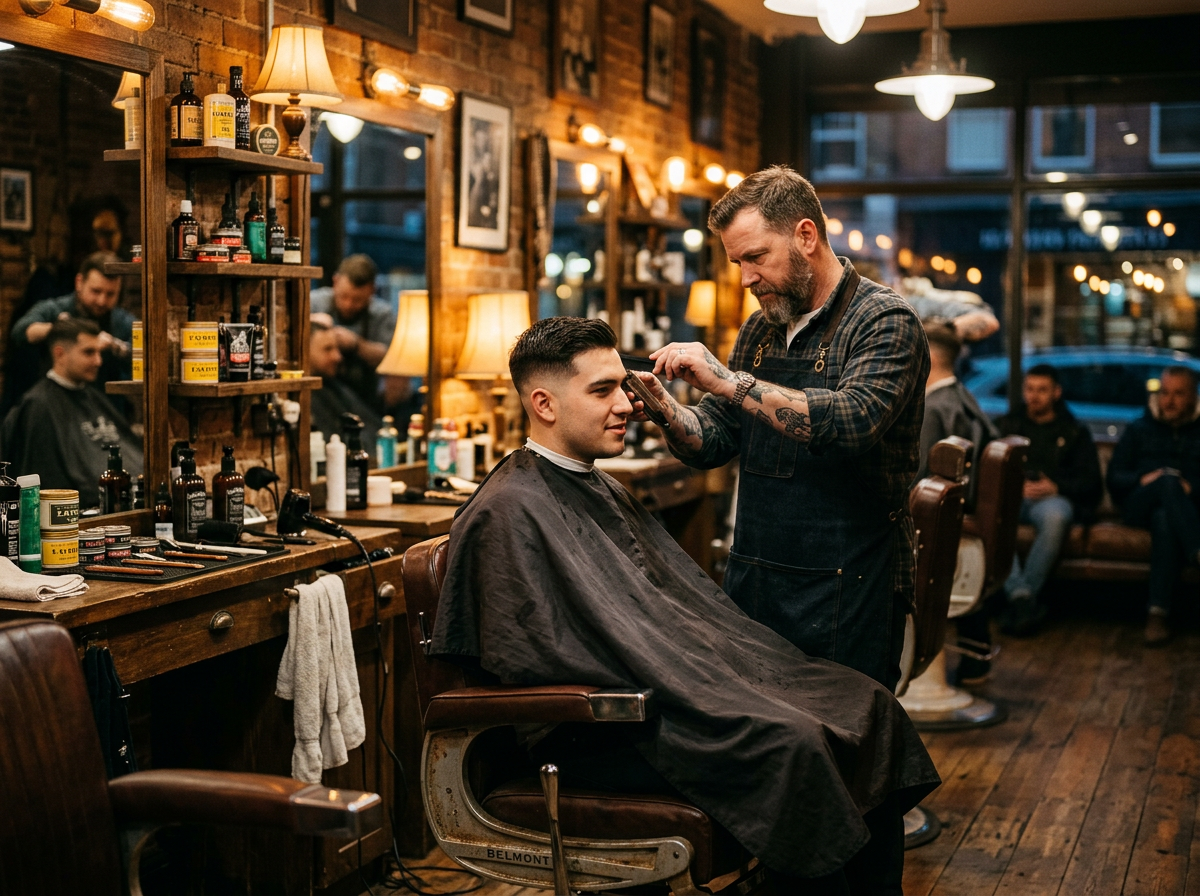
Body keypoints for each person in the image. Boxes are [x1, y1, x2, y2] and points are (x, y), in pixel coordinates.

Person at [431, 316, 939, 895]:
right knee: (791, 745)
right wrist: (688, 683)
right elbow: (540, 655)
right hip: (596, 731)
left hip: (662, 695)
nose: (626, 404)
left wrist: (709, 672)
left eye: (623, 384)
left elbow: (653, 614)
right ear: (543, 403)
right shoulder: (507, 511)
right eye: (602, 391)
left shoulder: (593, 483)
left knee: (863, 701)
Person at [629, 166, 929, 691]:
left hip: (851, 584)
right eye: (736, 262)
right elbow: (716, 440)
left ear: (806, 236)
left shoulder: (884, 320)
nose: (745, 278)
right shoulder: (761, 329)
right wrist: (665, 412)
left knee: (845, 745)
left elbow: (852, 420)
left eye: (755, 257)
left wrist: (729, 382)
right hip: (759, 575)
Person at [992, 364, 1102, 637]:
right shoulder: (1007, 426)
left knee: (1056, 517)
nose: (1034, 396)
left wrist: (1056, 486)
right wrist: (1014, 486)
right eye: (1029, 389)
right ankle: (1023, 598)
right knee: (992, 516)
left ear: (1056, 392)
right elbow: (989, 469)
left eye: (1042, 390)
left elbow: (1092, 483)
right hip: (1014, 498)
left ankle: (1020, 600)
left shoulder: (1075, 430)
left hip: (1054, 498)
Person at [2, 318, 142, 509]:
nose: (98, 361)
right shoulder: (38, 406)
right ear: (60, 354)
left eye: (99, 352)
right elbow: (48, 478)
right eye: (89, 352)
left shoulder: (94, 397)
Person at [1107, 366, 1200, 646]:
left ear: (1194, 397)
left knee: (1164, 519)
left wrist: (1192, 487)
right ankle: (1197, 551)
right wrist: (1142, 478)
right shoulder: (1139, 429)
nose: (1169, 401)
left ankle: (1157, 614)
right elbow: (1114, 479)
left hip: (1183, 510)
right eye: (1164, 393)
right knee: (1166, 480)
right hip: (1137, 506)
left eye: (1178, 394)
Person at [8, 251, 133, 400]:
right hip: (56, 404)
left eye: (110, 294)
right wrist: (60, 329)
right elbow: (20, 331)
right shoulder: (54, 309)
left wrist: (115, 346)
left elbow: (143, 355)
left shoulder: (122, 321)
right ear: (79, 282)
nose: (102, 301)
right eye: (96, 291)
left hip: (104, 407)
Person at [918, 322, 998, 505]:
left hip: (938, 509)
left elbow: (918, 478)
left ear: (930, 358)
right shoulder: (963, 396)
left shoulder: (932, 409)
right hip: (956, 502)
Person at [310, 255, 396, 413]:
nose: (348, 304)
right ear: (335, 282)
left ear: (372, 290)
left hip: (364, 400)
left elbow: (390, 358)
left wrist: (356, 344)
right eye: (344, 296)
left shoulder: (382, 315)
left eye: (357, 300)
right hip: (322, 396)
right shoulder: (314, 303)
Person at [309, 319, 380, 458]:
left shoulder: (335, 388)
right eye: (328, 349)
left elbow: (375, 428)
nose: (338, 357)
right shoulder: (307, 400)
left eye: (337, 349)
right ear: (304, 352)